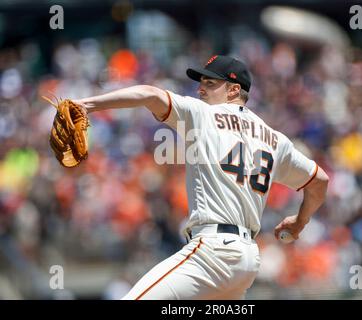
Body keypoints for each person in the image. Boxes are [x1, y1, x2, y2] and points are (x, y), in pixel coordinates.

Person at [74, 55, 329, 300]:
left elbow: (149, 95)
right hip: (247, 260)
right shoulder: (276, 140)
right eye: (201, 84)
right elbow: (320, 181)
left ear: (233, 90)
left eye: (210, 83)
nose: (201, 90)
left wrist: (87, 104)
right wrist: (300, 222)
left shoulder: (202, 114)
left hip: (212, 252)